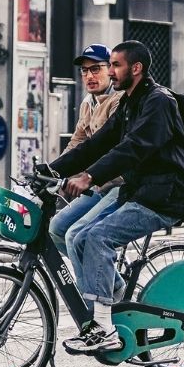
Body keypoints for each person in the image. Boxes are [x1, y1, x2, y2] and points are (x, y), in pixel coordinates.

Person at [47, 40, 184, 354]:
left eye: (115, 65)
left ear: (136, 68)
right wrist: (50, 170)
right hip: (139, 191)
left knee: (98, 237)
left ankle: (103, 329)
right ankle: (104, 310)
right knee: (77, 236)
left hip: (164, 196)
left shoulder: (158, 102)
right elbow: (95, 144)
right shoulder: (129, 102)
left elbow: (134, 148)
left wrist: (90, 176)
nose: (111, 72)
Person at [47, 44, 124, 258]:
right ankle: (94, 277)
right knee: (56, 229)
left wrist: (85, 177)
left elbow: (110, 147)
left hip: (118, 185)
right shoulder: (87, 103)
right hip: (97, 185)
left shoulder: (119, 101)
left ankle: (110, 287)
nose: (89, 75)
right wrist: (52, 172)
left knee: (77, 235)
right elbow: (76, 143)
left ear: (110, 70)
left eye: (96, 69)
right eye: (84, 70)